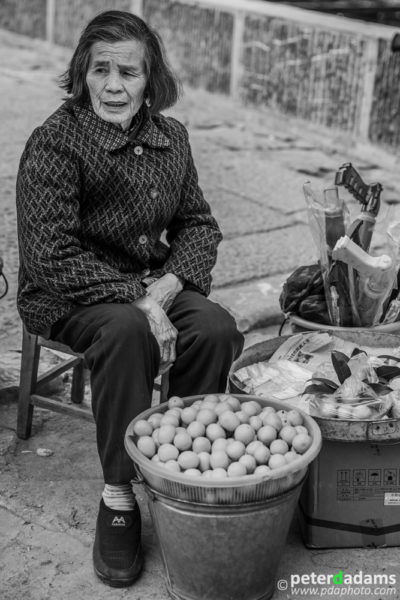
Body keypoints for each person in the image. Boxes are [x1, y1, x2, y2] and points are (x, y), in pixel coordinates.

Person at [16, 9, 244, 589]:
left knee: (215, 327)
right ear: (82, 73)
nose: (115, 86)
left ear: (151, 81)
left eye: (130, 73)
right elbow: (50, 255)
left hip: (150, 283)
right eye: (101, 70)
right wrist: (139, 301)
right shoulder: (55, 143)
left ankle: (180, 463)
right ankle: (119, 493)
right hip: (72, 290)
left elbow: (199, 226)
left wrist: (167, 286)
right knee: (125, 330)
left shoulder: (171, 138)